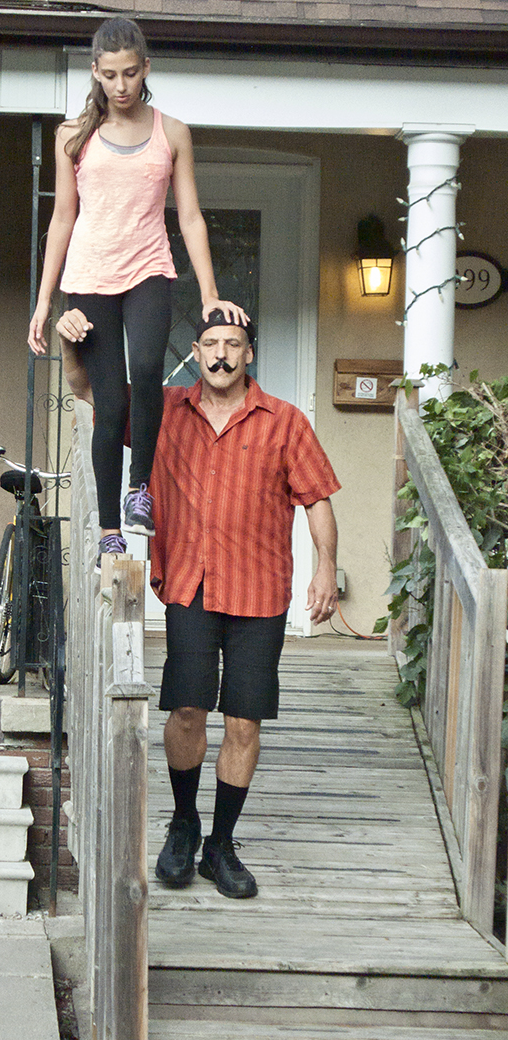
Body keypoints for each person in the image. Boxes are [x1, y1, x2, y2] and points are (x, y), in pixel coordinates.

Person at [56, 306, 341, 900]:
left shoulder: (285, 422)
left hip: (260, 591)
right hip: (190, 583)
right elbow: (87, 390)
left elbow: (316, 499)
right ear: (196, 349)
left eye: (233, 344)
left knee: (244, 721)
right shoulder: (162, 411)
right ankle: (183, 823)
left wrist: (327, 569)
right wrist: (71, 342)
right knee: (186, 712)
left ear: (248, 353)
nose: (221, 354)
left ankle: (221, 843)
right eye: (210, 342)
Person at [28, 16, 246, 569]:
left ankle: (139, 490)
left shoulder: (171, 133)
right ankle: (108, 531)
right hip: (90, 278)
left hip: (150, 269)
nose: (121, 85)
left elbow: (191, 216)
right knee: (110, 401)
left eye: (130, 73)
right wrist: (44, 302)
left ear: (145, 69)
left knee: (148, 369)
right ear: (95, 74)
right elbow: (61, 219)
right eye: (109, 75)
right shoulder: (72, 137)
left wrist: (211, 294)